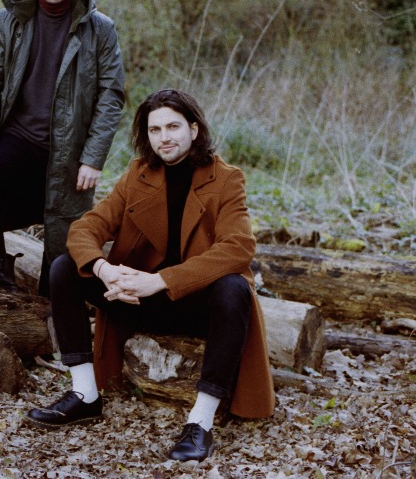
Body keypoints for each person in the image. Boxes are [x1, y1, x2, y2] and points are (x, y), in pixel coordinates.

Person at [26, 89, 275, 462]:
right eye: (155, 130)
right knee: (65, 267)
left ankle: (201, 422)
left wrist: (160, 280)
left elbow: (239, 246)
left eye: (173, 127)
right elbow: (85, 229)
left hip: (195, 305)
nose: (164, 138)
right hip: (137, 299)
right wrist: (105, 270)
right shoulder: (138, 174)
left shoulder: (225, 178)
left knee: (234, 287)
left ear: (194, 129)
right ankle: (85, 394)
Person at [0, 0, 125, 295]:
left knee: (59, 268)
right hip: (18, 138)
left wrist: (92, 158)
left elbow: (111, 98)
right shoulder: (8, 20)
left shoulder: (101, 29)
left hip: (69, 149)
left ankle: (55, 300)